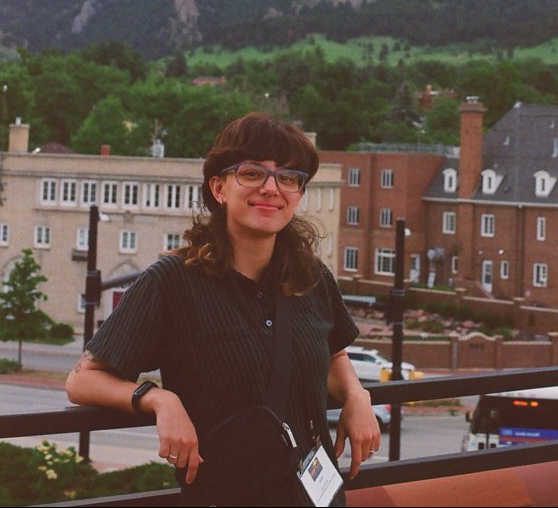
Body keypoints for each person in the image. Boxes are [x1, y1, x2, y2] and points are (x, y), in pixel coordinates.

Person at [66, 112, 380, 506]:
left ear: (298, 194)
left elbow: (333, 352)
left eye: (288, 178)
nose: (271, 188)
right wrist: (159, 399)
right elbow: (82, 381)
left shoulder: (311, 278)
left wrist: (356, 395)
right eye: (252, 173)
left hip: (314, 495)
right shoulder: (173, 280)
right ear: (218, 188)